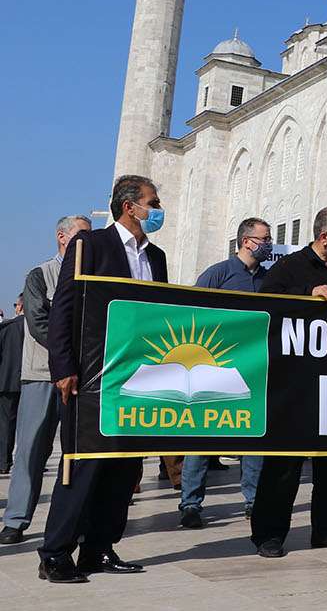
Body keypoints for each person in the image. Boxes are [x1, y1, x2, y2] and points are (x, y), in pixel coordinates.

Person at [39, 176, 167, 583]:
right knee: (85, 465)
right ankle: (56, 552)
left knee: (124, 468)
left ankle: (99, 547)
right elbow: (64, 307)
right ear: (130, 206)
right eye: (153, 202)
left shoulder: (156, 256)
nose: (158, 208)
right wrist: (64, 367)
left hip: (138, 375)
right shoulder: (90, 245)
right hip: (94, 377)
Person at [251, 206, 327, 558]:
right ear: (324, 237)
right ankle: (270, 534)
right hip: (295, 384)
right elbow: (266, 306)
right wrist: (307, 292)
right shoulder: (289, 268)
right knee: (284, 465)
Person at [178, 217, 273, 529]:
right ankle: (190, 503)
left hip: (252, 369)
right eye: (264, 238)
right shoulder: (219, 272)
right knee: (203, 437)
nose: (268, 244)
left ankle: (254, 500)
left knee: (252, 437)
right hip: (214, 367)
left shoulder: (269, 279)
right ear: (246, 241)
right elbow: (191, 309)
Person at [0, 215, 90, 546]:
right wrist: (70, 352)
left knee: (77, 452)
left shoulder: (92, 276)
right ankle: (16, 519)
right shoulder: (40, 275)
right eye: (81, 235)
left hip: (82, 378)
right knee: (31, 449)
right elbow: (38, 322)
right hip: (42, 374)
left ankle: (72, 521)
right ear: (61, 237)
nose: (87, 242)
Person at [0, 298, 21, 473]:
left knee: (6, 423)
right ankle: (31, 461)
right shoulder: (40, 325)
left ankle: (4, 462)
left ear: (20, 306)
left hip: (7, 382)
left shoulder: (7, 328)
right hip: (35, 382)